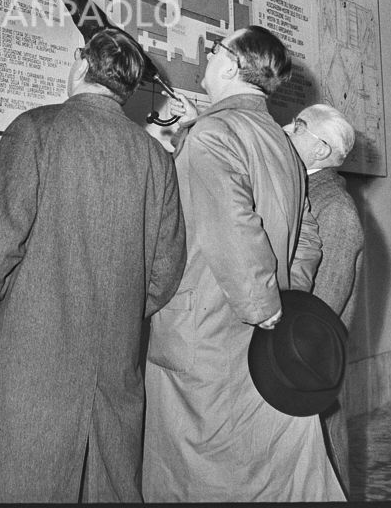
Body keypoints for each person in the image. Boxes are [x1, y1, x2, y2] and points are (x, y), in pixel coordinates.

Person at [0, 26, 187, 502]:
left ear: (81, 64)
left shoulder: (34, 130)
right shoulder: (156, 159)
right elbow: (165, 272)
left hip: (27, 366)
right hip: (112, 368)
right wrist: (117, 311)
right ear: (128, 88)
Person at [143, 25, 345, 502]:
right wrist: (284, 295)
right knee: (266, 472)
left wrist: (264, 306)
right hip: (263, 338)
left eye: (215, 50)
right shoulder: (279, 140)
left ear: (232, 66)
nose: (208, 57)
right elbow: (308, 236)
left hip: (210, 337)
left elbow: (233, 226)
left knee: (201, 477)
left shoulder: (214, 135)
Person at [286, 103, 364, 497]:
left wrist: (290, 355)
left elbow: (325, 303)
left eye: (297, 125)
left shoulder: (335, 208)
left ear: (320, 149)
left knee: (326, 458)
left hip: (310, 358)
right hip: (299, 353)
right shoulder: (305, 191)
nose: (286, 128)